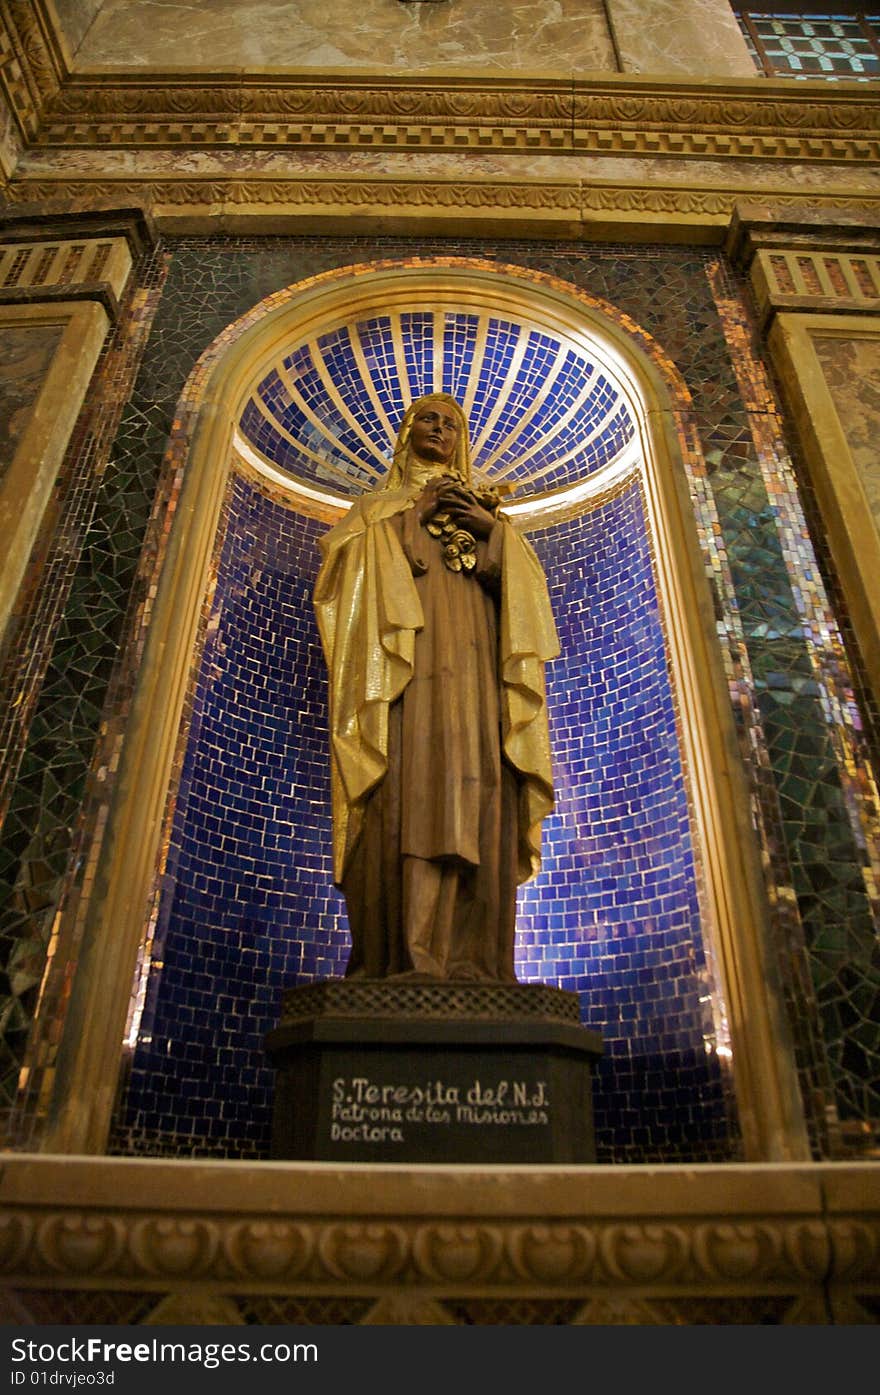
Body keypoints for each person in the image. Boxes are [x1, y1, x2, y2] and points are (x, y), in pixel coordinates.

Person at [313, 392, 559, 982]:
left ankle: (479, 961)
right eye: (429, 419)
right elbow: (341, 591)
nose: (440, 429)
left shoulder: (487, 514)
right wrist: (410, 519)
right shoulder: (375, 511)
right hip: (406, 678)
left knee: (478, 794)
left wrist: (489, 534)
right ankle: (401, 957)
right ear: (406, 433)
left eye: (451, 424)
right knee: (411, 792)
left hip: (476, 678)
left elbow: (527, 607)